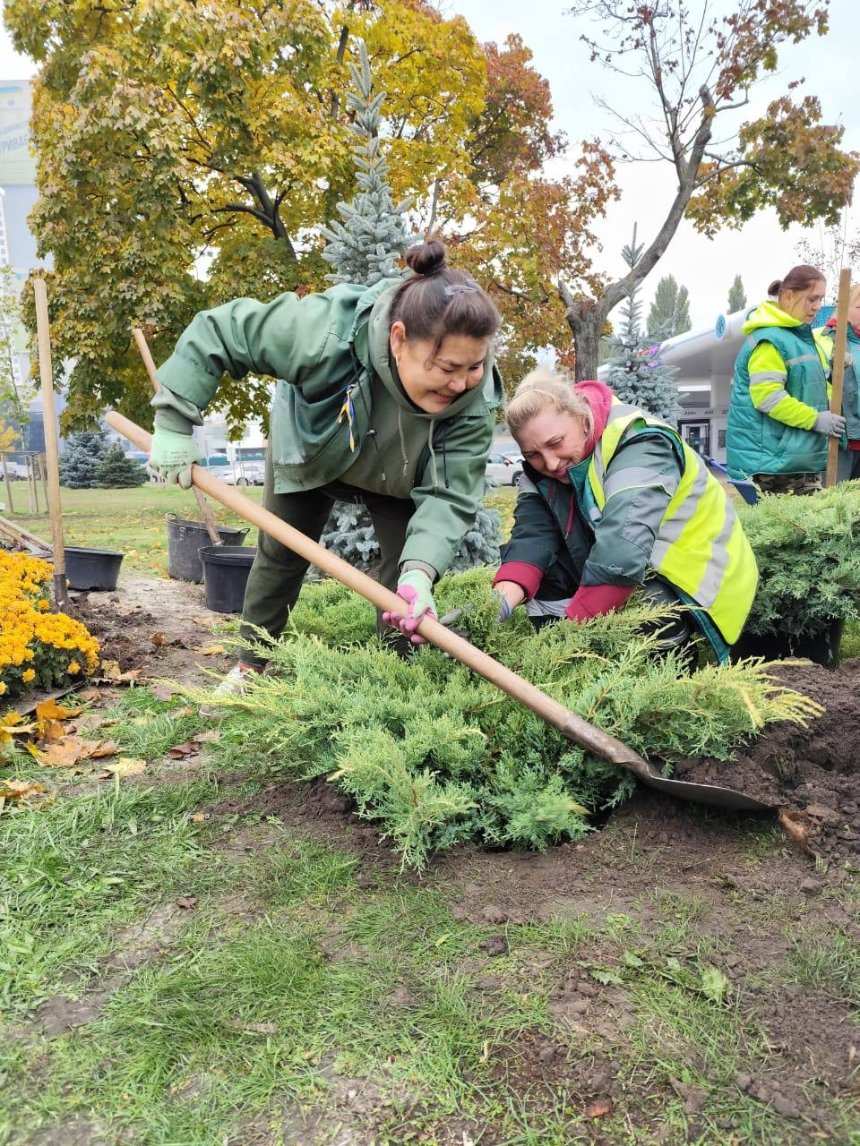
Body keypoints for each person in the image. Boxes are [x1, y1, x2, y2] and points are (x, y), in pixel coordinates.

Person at [147, 240, 503, 693]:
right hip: (315, 446)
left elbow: (450, 494)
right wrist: (175, 421)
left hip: (399, 474)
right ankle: (250, 667)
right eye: (448, 367)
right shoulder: (325, 331)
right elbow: (222, 331)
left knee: (404, 586)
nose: (461, 383)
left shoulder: (474, 399)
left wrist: (421, 570)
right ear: (398, 339)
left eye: (473, 367)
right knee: (280, 556)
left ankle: (398, 683)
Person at [492, 370, 758, 664]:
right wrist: (499, 602)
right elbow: (533, 536)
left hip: (700, 581)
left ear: (582, 419)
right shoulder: (545, 467)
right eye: (533, 454)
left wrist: (572, 638)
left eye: (556, 443)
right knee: (550, 577)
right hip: (644, 564)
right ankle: (576, 669)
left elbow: (622, 550)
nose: (550, 463)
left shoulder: (640, 441)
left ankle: (675, 677)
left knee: (645, 603)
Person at [727, 264, 844, 495]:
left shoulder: (800, 340)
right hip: (772, 465)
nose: (817, 307)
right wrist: (815, 419)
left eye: (821, 299)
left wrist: (840, 370)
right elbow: (768, 398)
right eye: (812, 299)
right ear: (789, 296)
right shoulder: (770, 341)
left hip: (795, 458)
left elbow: (816, 388)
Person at [817, 282, 860, 483]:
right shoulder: (820, 338)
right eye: (859, 307)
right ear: (843, 308)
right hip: (836, 440)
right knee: (835, 506)